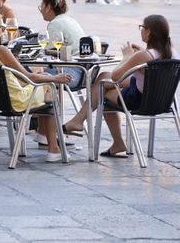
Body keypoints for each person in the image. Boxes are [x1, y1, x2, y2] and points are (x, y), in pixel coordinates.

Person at [63, 15, 177, 158]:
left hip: (141, 100)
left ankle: (86, 125)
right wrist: (139, 54)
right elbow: (151, 63)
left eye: (142, 28)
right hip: (163, 100)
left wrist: (127, 57)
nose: (140, 30)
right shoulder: (172, 52)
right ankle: (79, 121)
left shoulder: (143, 56)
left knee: (103, 94)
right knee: (104, 76)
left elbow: (117, 76)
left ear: (148, 32)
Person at [0, 11, 71, 162]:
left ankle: (44, 137)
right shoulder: (1, 50)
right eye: (2, 29)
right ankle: (52, 147)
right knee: (49, 87)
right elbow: (27, 76)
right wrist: (56, 78)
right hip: (15, 100)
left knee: (46, 92)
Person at [38, 0, 86, 89]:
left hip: (70, 74)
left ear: (48, 7)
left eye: (41, 7)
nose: (40, 10)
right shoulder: (69, 19)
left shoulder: (55, 23)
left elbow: (50, 54)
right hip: (84, 74)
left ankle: (42, 102)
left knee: (29, 73)